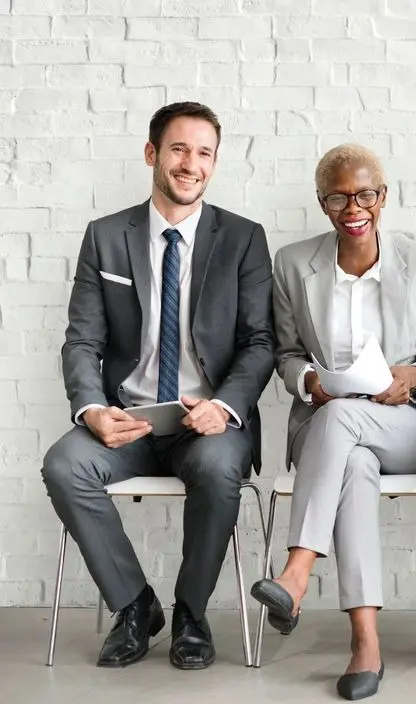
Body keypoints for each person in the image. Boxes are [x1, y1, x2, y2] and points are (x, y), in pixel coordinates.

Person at [40, 102, 274, 670]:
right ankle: (135, 605)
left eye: (203, 153)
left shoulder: (243, 238)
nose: (190, 164)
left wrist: (225, 406)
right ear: (152, 154)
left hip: (206, 423)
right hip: (132, 420)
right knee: (64, 465)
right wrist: (91, 408)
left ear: (214, 165)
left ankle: (191, 613)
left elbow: (260, 342)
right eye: (178, 149)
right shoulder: (106, 237)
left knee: (220, 471)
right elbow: (81, 342)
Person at [249, 143, 416, 700]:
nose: (353, 206)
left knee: (345, 423)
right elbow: (287, 354)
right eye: (337, 197)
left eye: (365, 193)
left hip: (409, 424)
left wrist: (410, 377)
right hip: (331, 431)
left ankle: (295, 574)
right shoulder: (294, 264)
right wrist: (308, 382)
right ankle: (366, 643)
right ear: (322, 203)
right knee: (354, 464)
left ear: (382, 196)